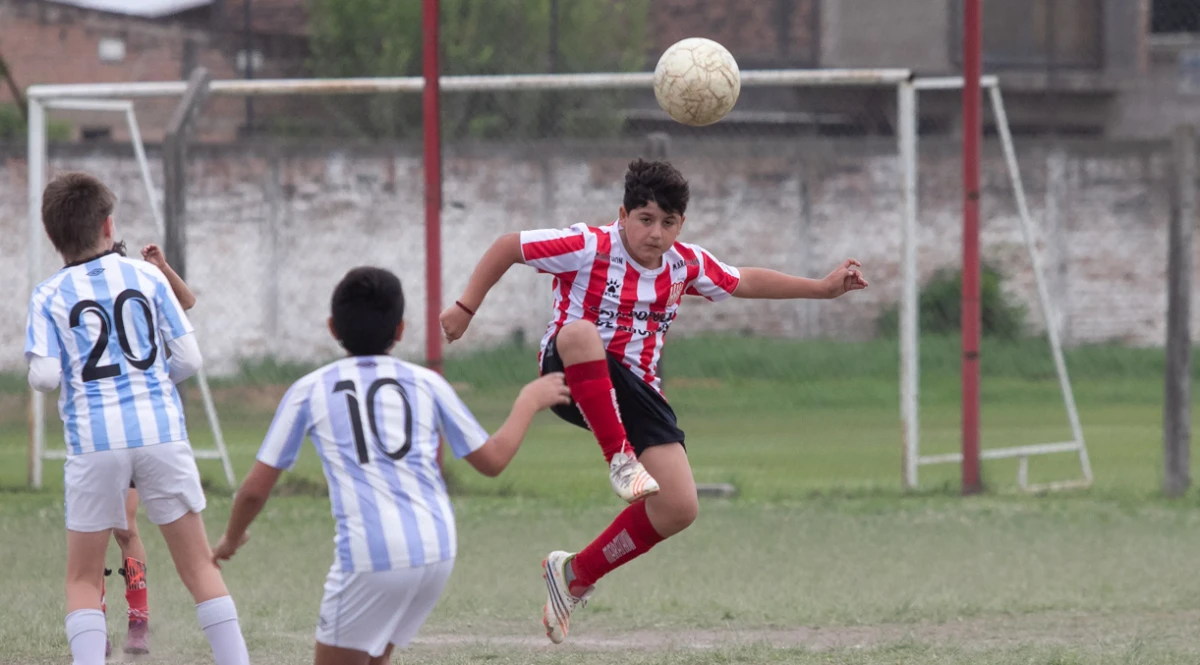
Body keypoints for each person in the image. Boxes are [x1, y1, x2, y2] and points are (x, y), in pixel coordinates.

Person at [439, 158, 869, 644]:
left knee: (679, 506)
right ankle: (619, 460)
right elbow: (508, 247)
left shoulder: (685, 264)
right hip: (569, 373)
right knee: (580, 333)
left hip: (637, 390)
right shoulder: (588, 245)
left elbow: (743, 280)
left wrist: (822, 289)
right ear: (623, 215)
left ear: (681, 224)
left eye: (668, 222)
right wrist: (466, 307)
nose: (655, 233)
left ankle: (575, 575)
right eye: (645, 219)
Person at [211, 266, 571, 665]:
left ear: (332, 328)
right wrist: (527, 400)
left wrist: (231, 539)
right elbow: (492, 460)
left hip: (371, 558)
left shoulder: (309, 390)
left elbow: (254, 490)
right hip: (436, 551)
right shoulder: (426, 382)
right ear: (400, 330)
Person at [25, 172, 250, 665]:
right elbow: (189, 359)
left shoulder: (48, 295)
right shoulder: (147, 277)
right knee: (199, 567)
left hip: (94, 441)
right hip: (160, 432)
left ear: (51, 235)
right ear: (109, 225)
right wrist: (148, 382)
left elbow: (43, 377)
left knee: (83, 579)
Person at [95, 241, 196, 656]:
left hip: (137, 426)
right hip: (97, 428)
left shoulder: (142, 292)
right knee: (94, 531)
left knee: (125, 527)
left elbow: (186, 302)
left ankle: (138, 622)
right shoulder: (84, 302)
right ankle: (93, 623)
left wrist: (163, 268)